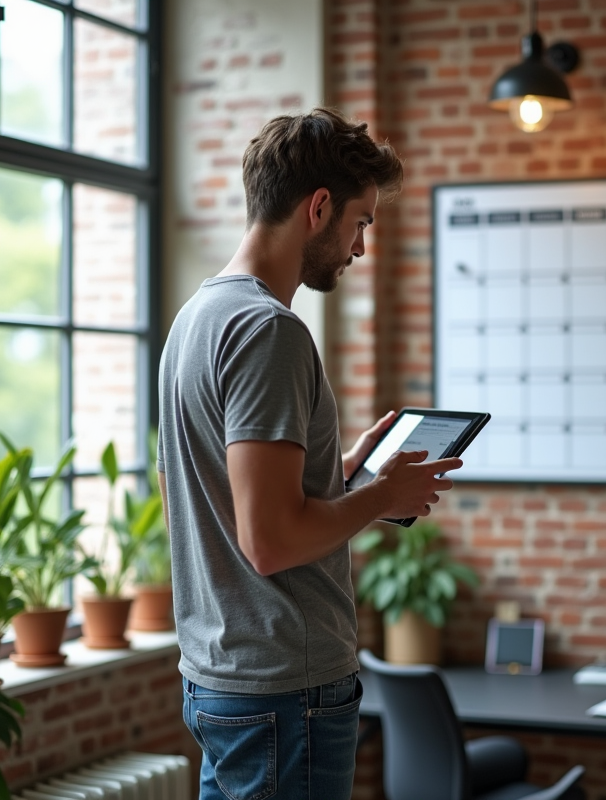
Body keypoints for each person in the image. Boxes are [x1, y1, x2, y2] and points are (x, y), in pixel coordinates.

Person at [156, 108, 463, 800]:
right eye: (361, 223)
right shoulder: (271, 331)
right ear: (319, 207)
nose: (359, 247)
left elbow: (231, 495)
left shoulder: (197, 319)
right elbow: (268, 542)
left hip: (225, 677)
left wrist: (341, 470)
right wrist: (383, 497)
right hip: (284, 689)